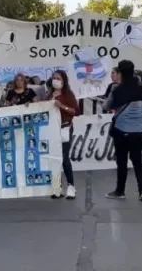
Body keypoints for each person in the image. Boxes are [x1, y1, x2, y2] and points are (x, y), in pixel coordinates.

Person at [104, 60, 142, 202]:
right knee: (137, 161)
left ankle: (120, 190)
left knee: (122, 162)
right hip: (139, 131)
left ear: (121, 73)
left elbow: (106, 106)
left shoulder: (117, 90)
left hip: (121, 130)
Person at [47, 70, 79, 199]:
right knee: (54, 158)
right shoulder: (49, 94)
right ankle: (57, 186)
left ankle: (71, 186)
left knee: (64, 158)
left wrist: (62, 106)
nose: (56, 80)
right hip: (52, 129)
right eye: (54, 78)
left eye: (58, 78)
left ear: (64, 80)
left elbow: (75, 111)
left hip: (65, 128)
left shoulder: (68, 95)